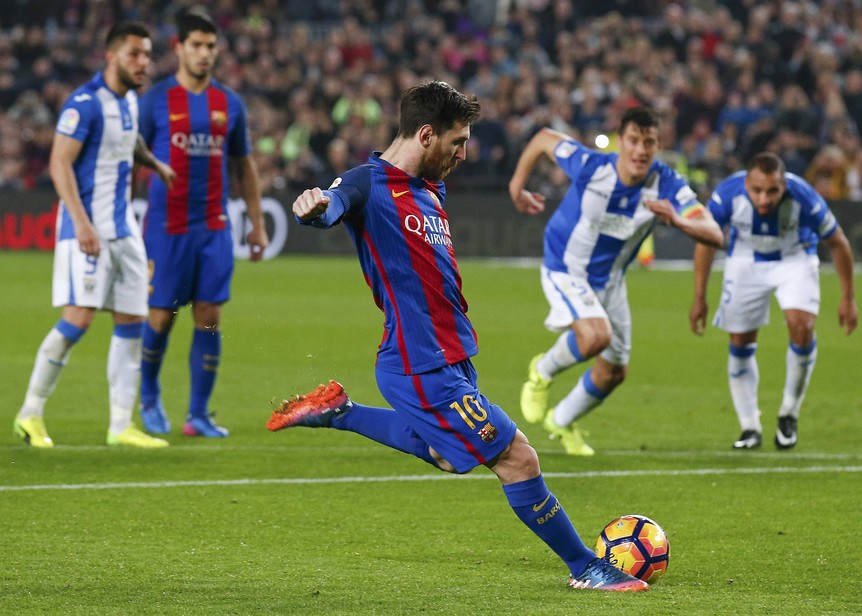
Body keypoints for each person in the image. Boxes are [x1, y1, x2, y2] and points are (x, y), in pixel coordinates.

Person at [267, 81, 648, 592]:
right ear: (426, 134)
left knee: (449, 454)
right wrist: (313, 207)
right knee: (517, 457)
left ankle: (340, 412)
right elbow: (330, 205)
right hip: (418, 363)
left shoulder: (430, 188)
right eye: (458, 142)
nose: (463, 154)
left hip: (452, 353)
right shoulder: (366, 183)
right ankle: (588, 567)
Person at [508, 106, 724, 455]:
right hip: (566, 267)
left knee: (613, 372)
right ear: (621, 141)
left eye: (649, 143)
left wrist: (679, 221)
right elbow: (544, 139)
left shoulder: (666, 183)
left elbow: (714, 233)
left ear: (657, 145)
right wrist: (517, 186)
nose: (640, 150)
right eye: (634, 140)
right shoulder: (592, 166)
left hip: (610, 281)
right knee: (596, 336)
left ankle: (561, 421)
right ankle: (541, 372)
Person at [13, 21, 176, 448]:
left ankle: (120, 425)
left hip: (124, 232)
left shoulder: (127, 102)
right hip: (86, 230)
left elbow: (129, 138)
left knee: (131, 322)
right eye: (135, 55)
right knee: (79, 318)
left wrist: (153, 163)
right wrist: (82, 222)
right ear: (112, 55)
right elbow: (59, 163)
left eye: (147, 54)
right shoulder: (83, 103)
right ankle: (30, 414)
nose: (144, 63)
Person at [137, 8, 268, 438]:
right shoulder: (155, 99)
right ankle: (150, 394)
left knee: (209, 315)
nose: (205, 53)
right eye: (196, 45)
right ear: (178, 47)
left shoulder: (229, 104)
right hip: (166, 225)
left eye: (211, 46)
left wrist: (256, 222)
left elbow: (243, 165)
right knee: (162, 316)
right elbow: (127, 154)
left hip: (212, 225)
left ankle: (198, 413)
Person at [689, 152, 858, 449]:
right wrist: (699, 297)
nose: (764, 198)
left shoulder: (804, 196)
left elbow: (838, 242)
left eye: (772, 191)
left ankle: (789, 412)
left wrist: (848, 298)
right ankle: (749, 427)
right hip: (745, 260)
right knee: (740, 339)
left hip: (795, 258)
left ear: (784, 186)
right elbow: (705, 242)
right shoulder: (727, 194)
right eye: (756, 190)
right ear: (746, 184)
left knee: (802, 327)